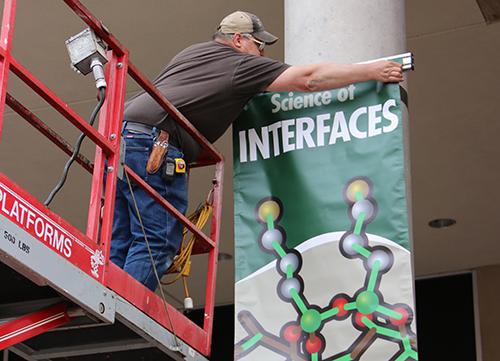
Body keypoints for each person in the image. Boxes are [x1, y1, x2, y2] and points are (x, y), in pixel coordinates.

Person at [111, 11, 403, 290]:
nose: (262, 55)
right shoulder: (240, 64)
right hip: (156, 144)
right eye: (259, 45)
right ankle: (122, 304)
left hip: (125, 137)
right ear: (239, 40)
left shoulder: (192, 54)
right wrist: (370, 71)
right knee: (157, 241)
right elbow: (309, 79)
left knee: (122, 238)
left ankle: (106, 297)